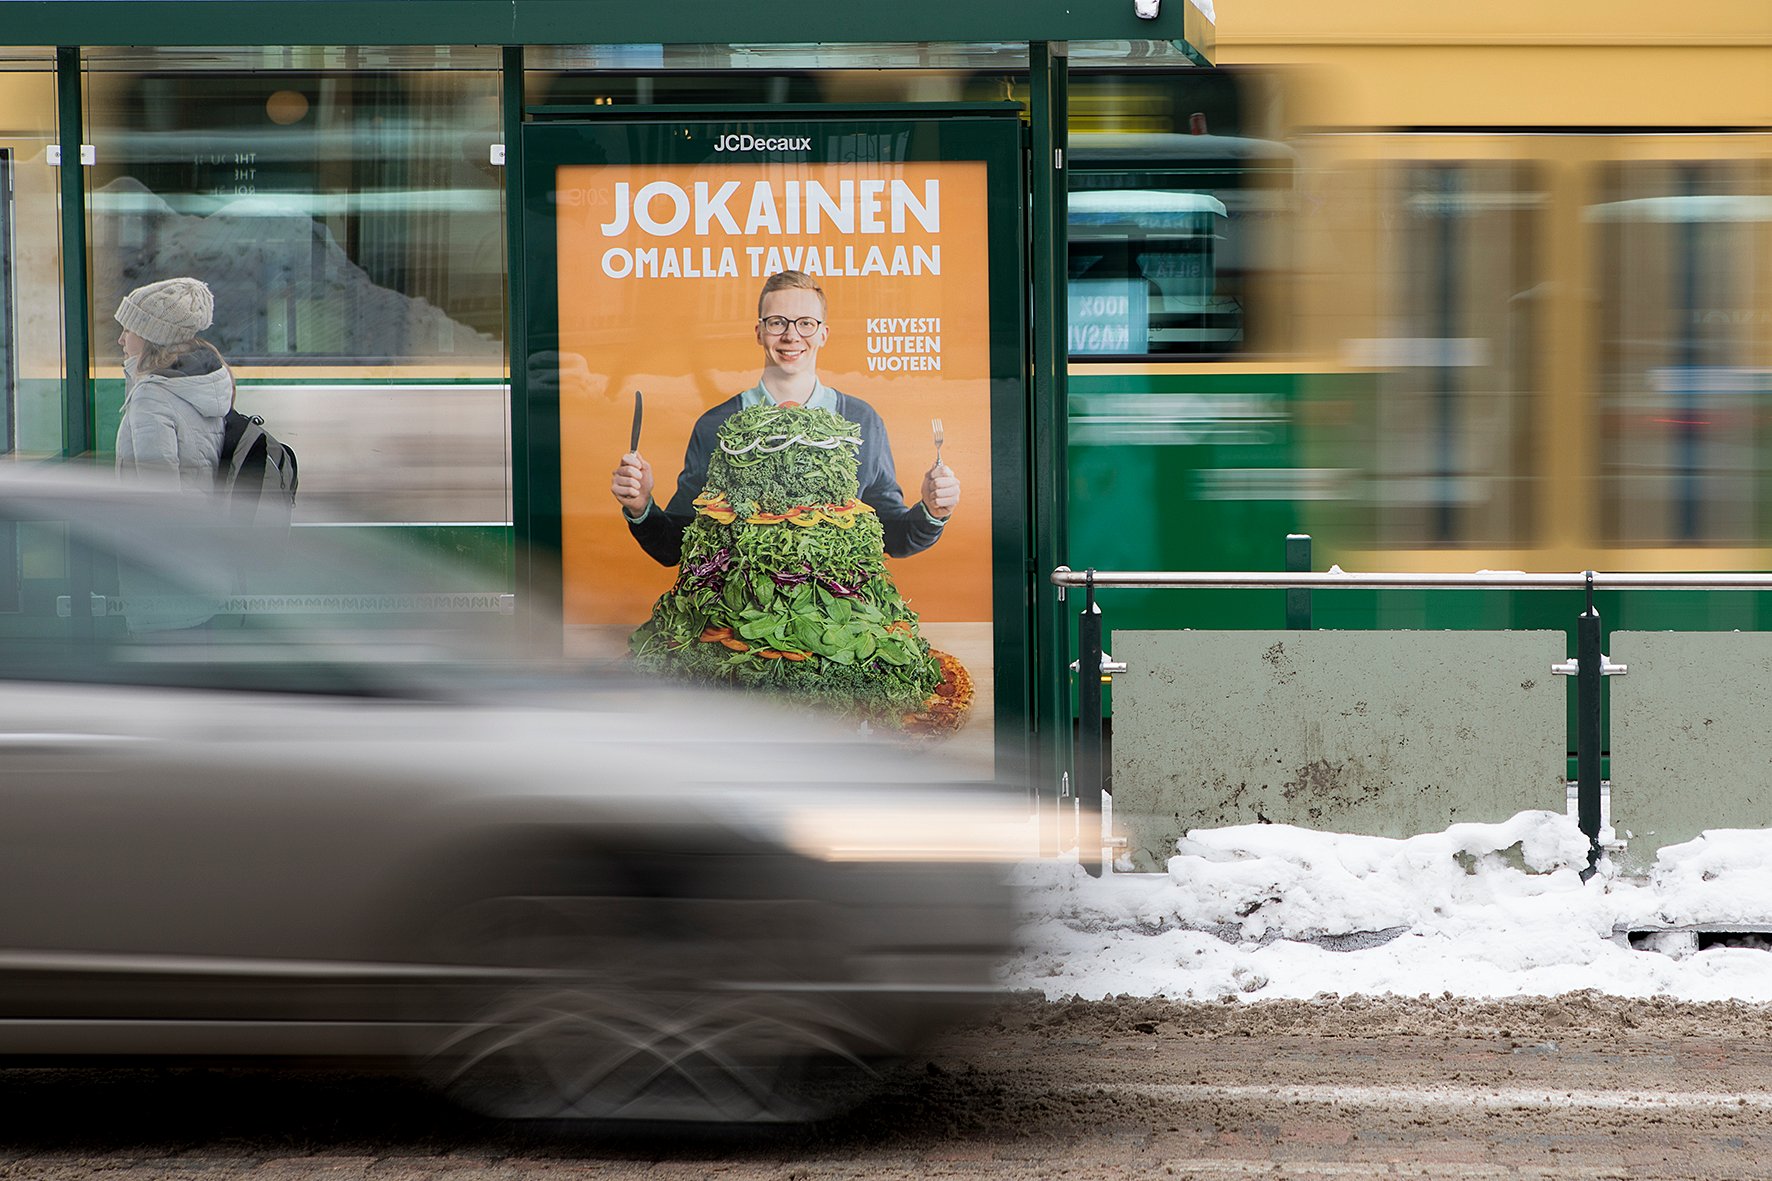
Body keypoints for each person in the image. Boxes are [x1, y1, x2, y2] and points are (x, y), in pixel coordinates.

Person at [611, 270, 960, 566]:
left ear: (824, 334)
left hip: (833, 625)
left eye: (806, 323)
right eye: (777, 322)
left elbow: (892, 536)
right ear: (759, 332)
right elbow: (678, 545)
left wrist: (932, 510)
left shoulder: (860, 421)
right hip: (742, 614)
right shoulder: (717, 424)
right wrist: (642, 506)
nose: (792, 335)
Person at [113, 276, 232, 491]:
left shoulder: (151, 396)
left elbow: (159, 493)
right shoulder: (203, 382)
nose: (121, 339)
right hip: (199, 517)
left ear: (150, 337)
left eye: (128, 330)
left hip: (162, 522)